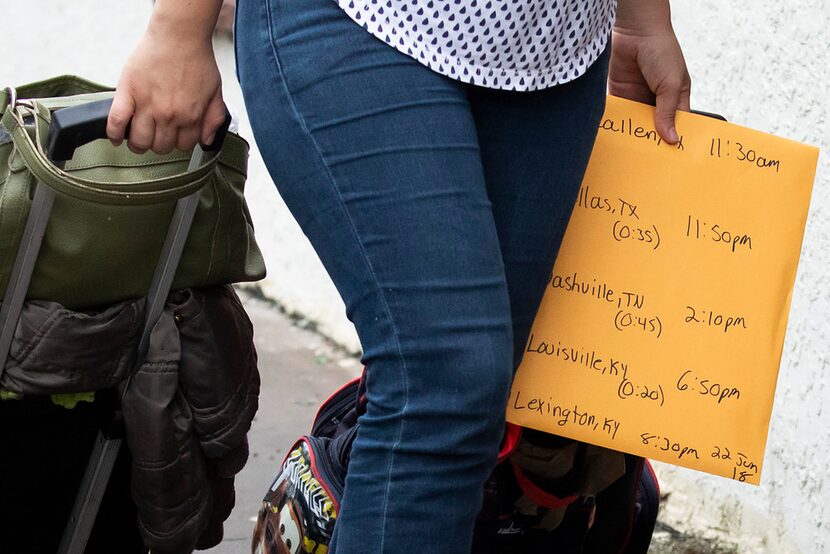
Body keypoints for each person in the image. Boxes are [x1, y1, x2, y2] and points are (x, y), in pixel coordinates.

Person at [109, 0, 690, 552]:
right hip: (360, 20)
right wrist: (178, 28)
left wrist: (642, 22)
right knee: (444, 382)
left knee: (470, 411)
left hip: (551, 52)